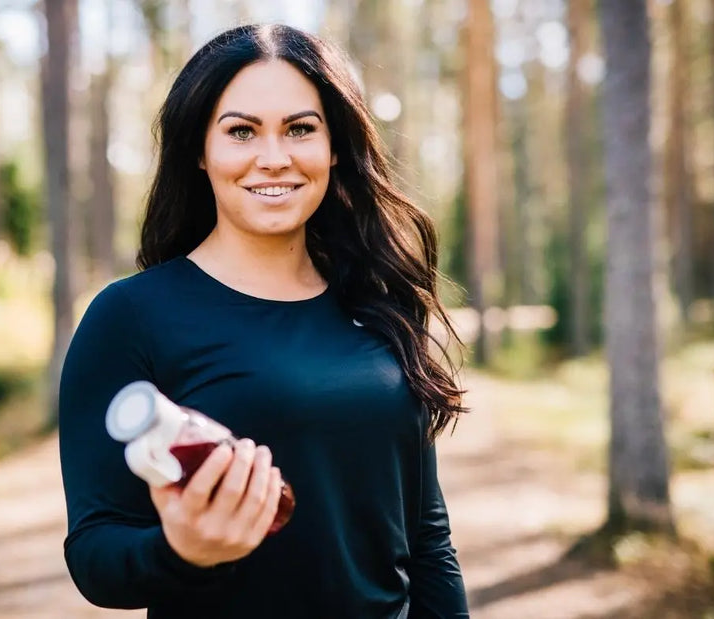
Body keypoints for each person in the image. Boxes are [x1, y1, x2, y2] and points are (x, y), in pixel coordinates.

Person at [59, 23, 469, 618]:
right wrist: (183, 550)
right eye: (241, 132)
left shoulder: (377, 300)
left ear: (334, 147)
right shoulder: (130, 317)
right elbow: (95, 557)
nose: (274, 158)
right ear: (200, 151)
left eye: (300, 129)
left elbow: (428, 539)